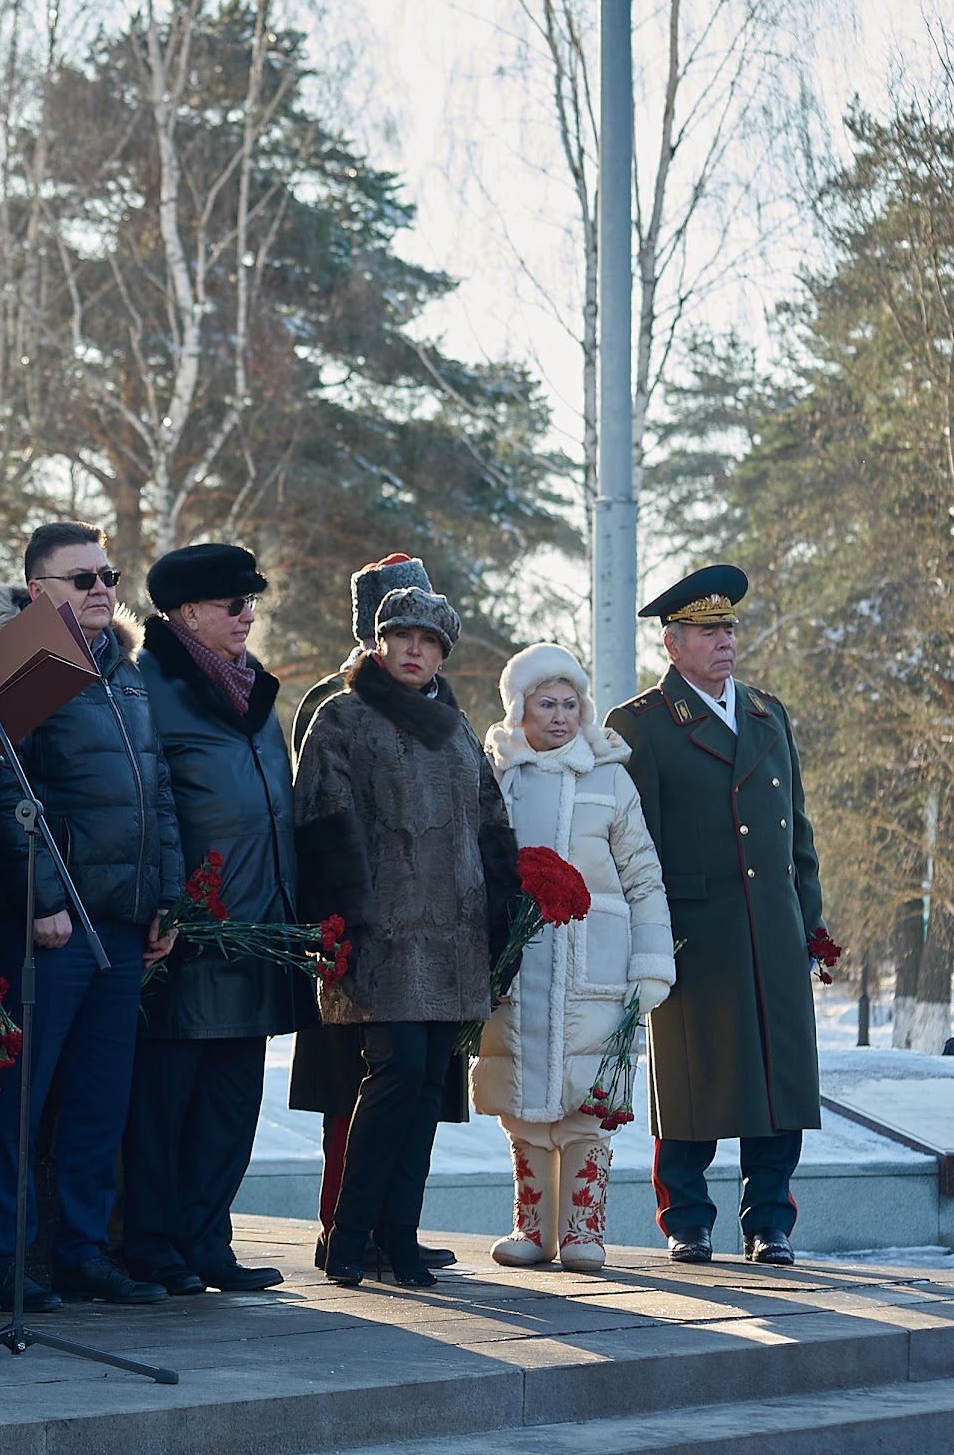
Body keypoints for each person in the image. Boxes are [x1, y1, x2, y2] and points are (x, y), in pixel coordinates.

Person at [0, 522, 183, 1310]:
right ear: (37, 593)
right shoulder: (24, 663)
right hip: (54, 927)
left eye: (108, 576)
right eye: (80, 578)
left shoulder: (126, 674)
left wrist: (167, 894)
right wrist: (42, 898)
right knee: (22, 1101)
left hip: (123, 924)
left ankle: (83, 1255)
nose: (101, 589)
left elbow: (155, 790)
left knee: (100, 1101)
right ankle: (2, 1262)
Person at [293, 584, 515, 1288]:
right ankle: (349, 1235)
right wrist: (339, 926)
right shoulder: (342, 718)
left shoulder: (454, 727)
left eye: (428, 641)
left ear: (443, 652)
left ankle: (401, 1235)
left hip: (451, 939)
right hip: (381, 935)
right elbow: (321, 824)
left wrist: (502, 922)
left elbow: (491, 828)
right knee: (391, 1077)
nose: (414, 650)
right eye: (401, 637)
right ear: (378, 644)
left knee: (426, 1088)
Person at [607, 564, 825, 1268]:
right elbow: (632, 847)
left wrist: (809, 923)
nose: (724, 642)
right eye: (706, 631)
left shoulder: (769, 712)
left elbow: (797, 834)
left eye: (728, 628)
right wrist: (647, 939)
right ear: (672, 645)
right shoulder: (641, 725)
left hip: (772, 928)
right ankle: (688, 1219)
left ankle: (771, 1221)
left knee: (778, 1079)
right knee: (691, 1080)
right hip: (692, 933)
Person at [125, 543, 307, 1296]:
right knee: (165, 1104)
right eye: (233, 604)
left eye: (252, 602)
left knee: (231, 1106)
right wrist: (164, 903)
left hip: (256, 931)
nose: (248, 616)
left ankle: (209, 1243)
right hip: (186, 932)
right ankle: (153, 1245)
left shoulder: (254, 693)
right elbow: (147, 804)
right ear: (186, 612)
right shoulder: (148, 687)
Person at [475, 644, 675, 1274]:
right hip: (520, 964)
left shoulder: (611, 777)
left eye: (570, 704)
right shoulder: (499, 778)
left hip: (597, 964)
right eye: (545, 704)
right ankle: (532, 1228)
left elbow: (643, 876)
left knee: (588, 1099)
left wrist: (650, 962)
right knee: (524, 1097)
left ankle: (584, 1229)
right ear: (520, 709)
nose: (559, 717)